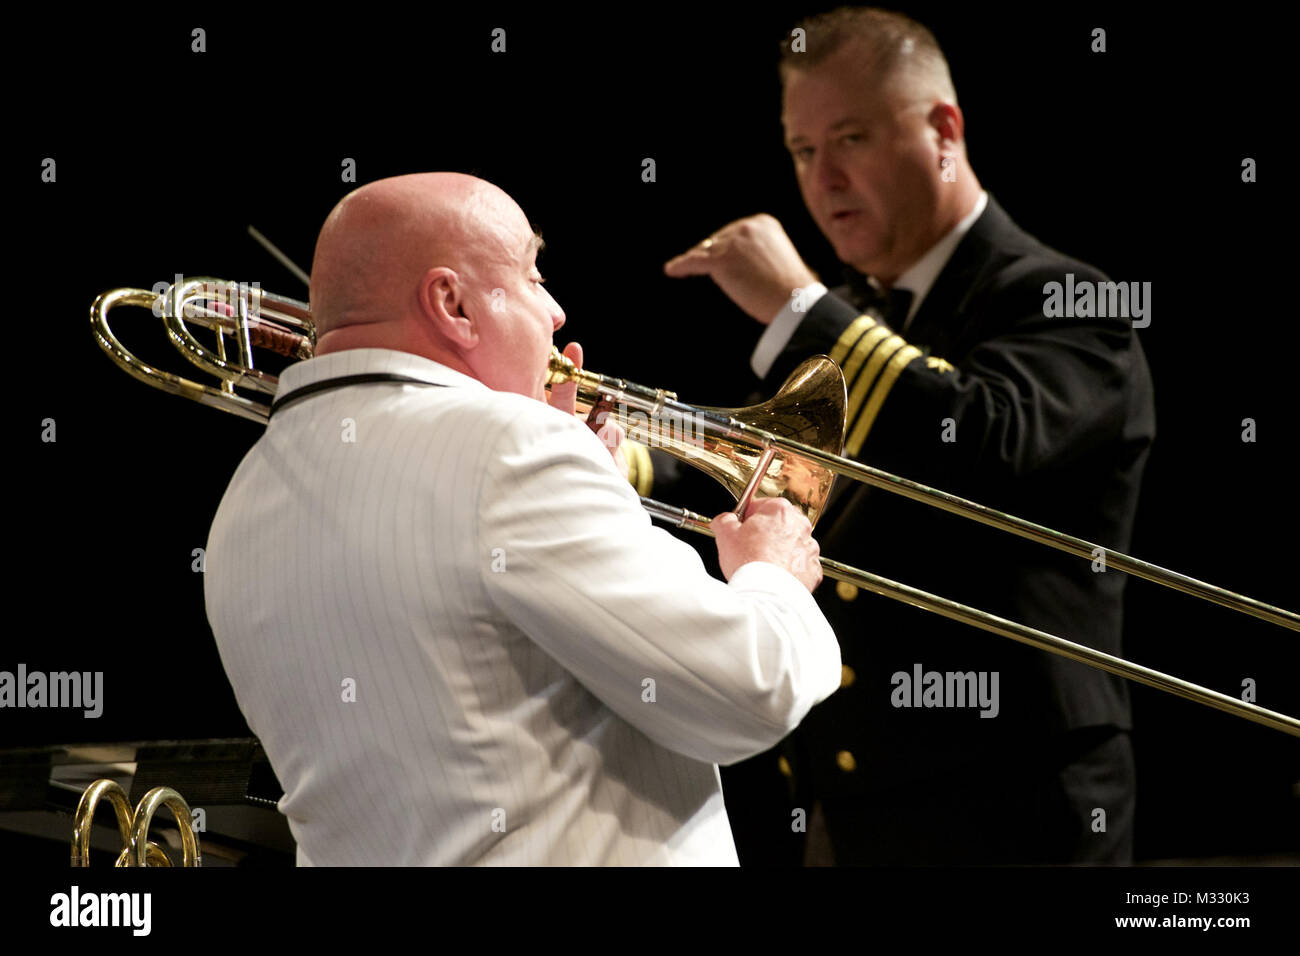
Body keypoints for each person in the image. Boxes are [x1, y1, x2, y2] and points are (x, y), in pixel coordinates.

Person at [203, 172, 842, 866]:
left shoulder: (242, 500)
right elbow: (750, 689)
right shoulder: (511, 451)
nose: (557, 311)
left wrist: (587, 488)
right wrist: (770, 575)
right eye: (533, 276)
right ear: (453, 304)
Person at [663, 7, 1155, 864]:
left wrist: (801, 308)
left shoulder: (1064, 299)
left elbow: (974, 442)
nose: (823, 178)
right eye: (804, 151)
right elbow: (763, 466)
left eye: (849, 138)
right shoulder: (875, 319)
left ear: (944, 131)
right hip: (855, 803)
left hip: (1016, 805)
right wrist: (610, 444)